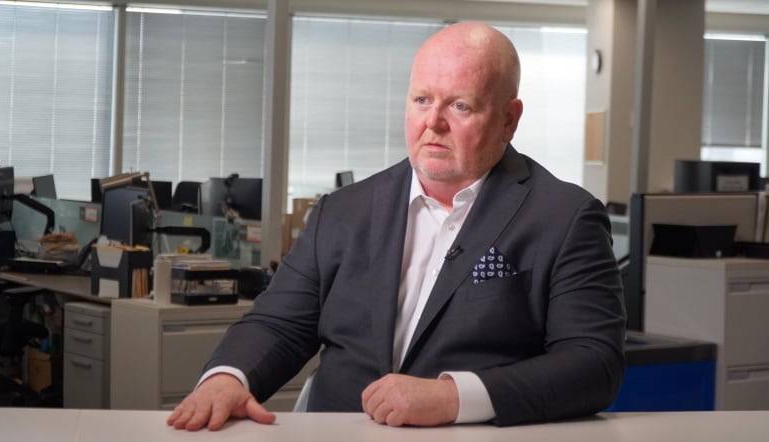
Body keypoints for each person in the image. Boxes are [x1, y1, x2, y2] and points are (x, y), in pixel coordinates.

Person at [167, 21, 625, 431]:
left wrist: (452, 397)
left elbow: (592, 364)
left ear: (509, 119)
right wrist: (227, 378)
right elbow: (279, 325)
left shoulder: (564, 217)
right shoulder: (343, 211)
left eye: (460, 106)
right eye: (422, 99)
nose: (433, 123)